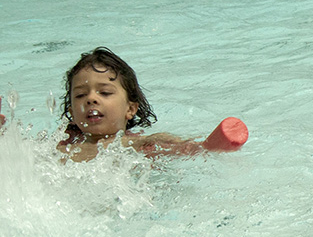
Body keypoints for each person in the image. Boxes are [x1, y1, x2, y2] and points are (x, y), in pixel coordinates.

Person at [57, 48, 210, 162]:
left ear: (130, 109)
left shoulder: (137, 145)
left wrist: (199, 146)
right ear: (72, 113)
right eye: (80, 95)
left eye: (105, 92)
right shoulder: (57, 150)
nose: (91, 98)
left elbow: (182, 147)